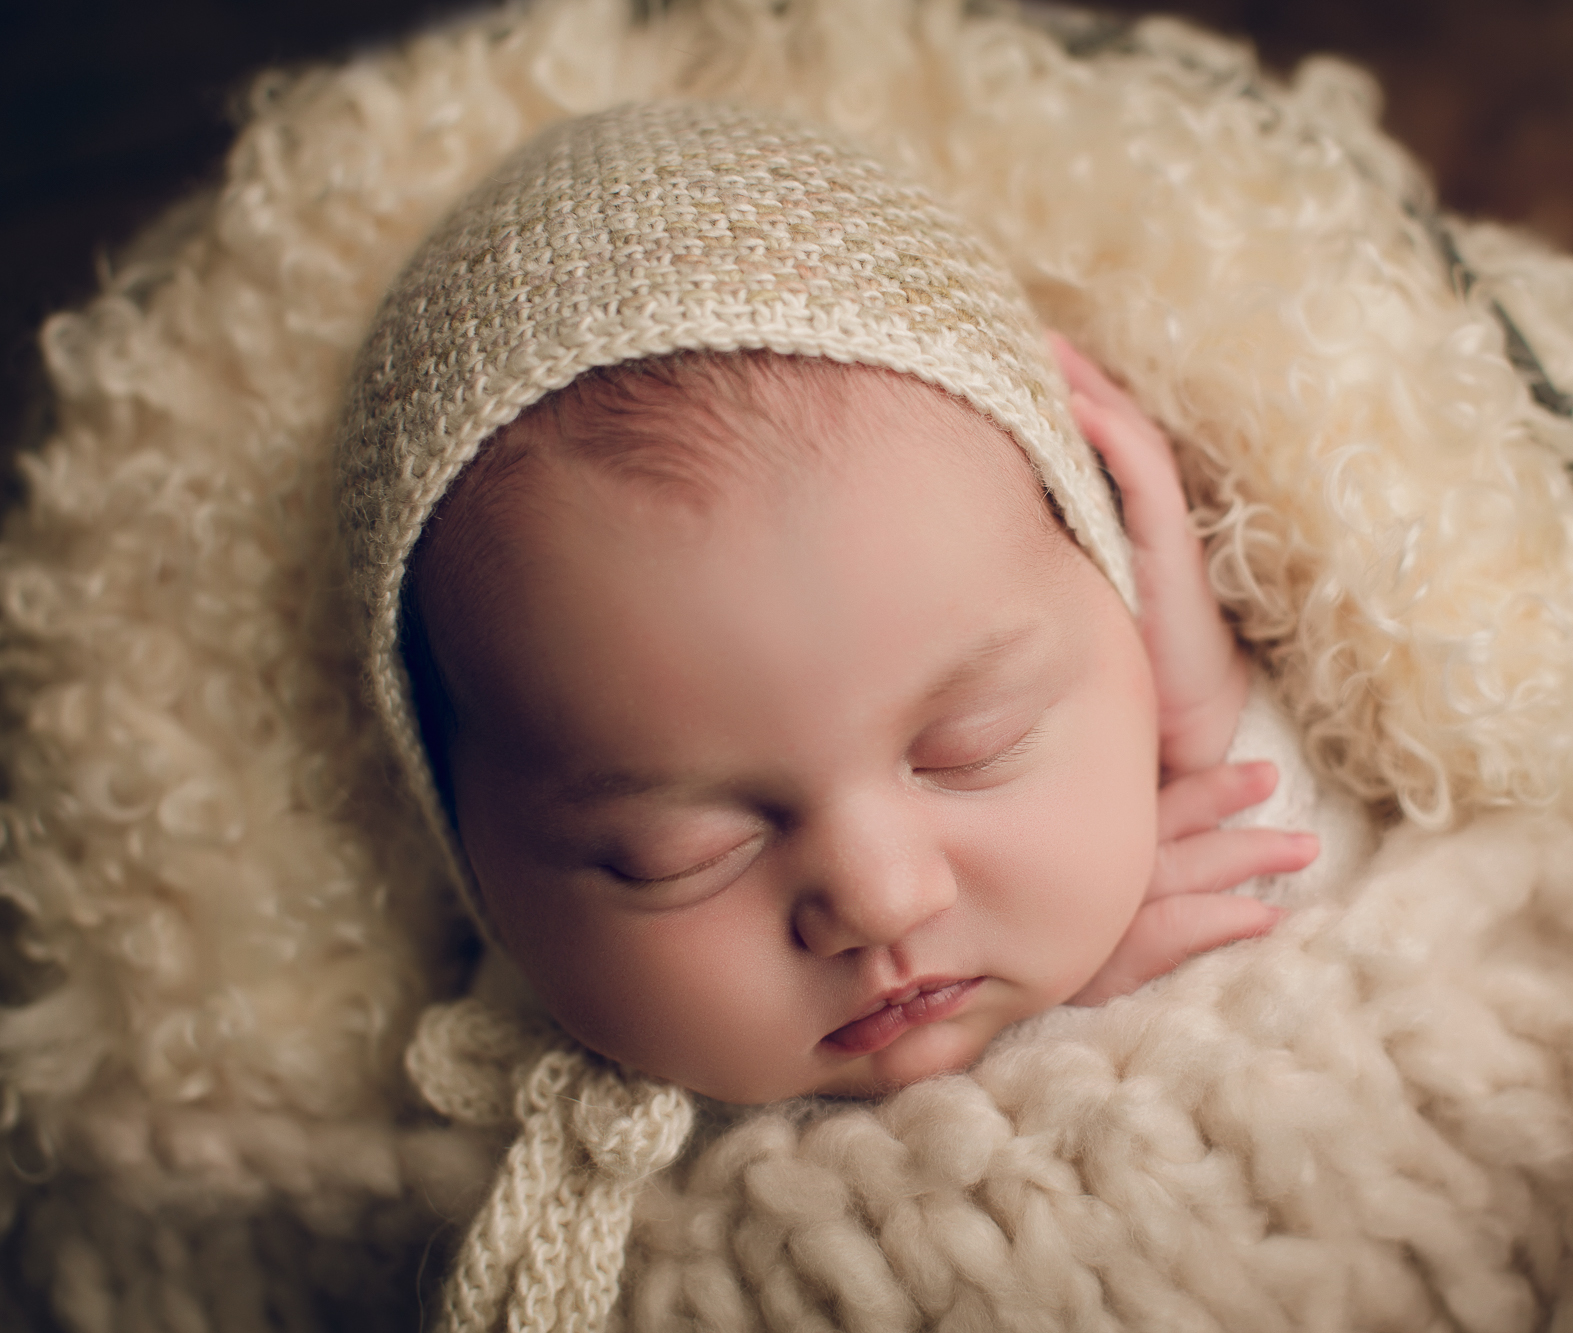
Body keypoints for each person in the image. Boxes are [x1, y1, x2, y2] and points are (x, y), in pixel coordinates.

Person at [342, 100, 1352, 1108]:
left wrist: (1211, 711)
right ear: (469, 849)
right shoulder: (518, 1085)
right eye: (677, 858)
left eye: (974, 746)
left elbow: (1339, 893)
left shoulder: (1186, 840)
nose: (879, 899)